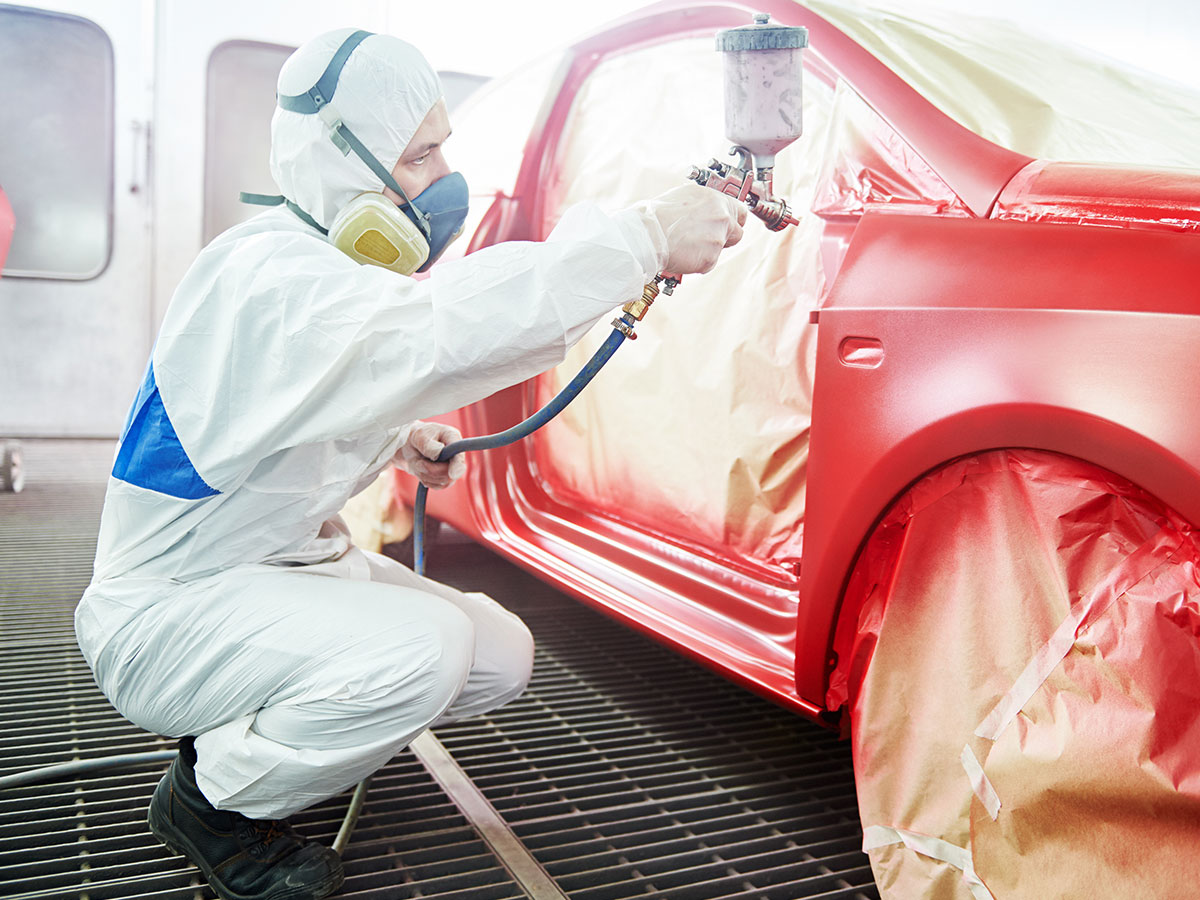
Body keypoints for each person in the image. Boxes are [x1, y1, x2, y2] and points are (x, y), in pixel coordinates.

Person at [73, 27, 745, 900]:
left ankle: (268, 733)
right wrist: (645, 239)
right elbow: (439, 335)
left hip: (268, 574)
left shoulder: (317, 271)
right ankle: (210, 803)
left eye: (441, 149)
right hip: (169, 613)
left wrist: (399, 438)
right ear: (338, 160)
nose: (443, 180)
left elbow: (309, 399)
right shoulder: (268, 278)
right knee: (423, 653)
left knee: (497, 652)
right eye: (420, 154)